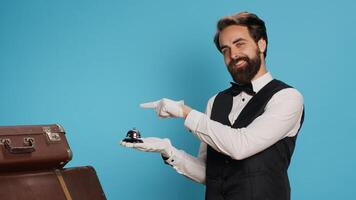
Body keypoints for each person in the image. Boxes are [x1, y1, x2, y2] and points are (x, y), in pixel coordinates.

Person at [121, 11, 304, 200]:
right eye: (225, 49)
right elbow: (210, 174)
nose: (233, 55)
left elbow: (240, 146)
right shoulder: (215, 102)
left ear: (261, 44)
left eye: (239, 44)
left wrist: (186, 112)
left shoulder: (287, 98)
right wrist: (168, 151)